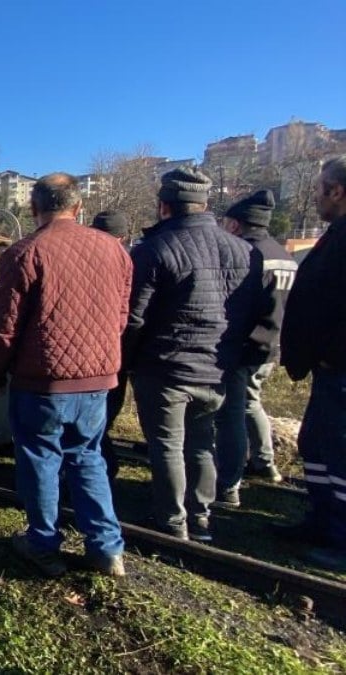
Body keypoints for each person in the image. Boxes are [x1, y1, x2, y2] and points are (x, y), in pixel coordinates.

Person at [0, 173, 131, 578]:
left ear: (34, 209)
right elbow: (121, 316)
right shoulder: (115, 251)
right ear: (78, 207)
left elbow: (4, 327)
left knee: (40, 459)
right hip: (98, 379)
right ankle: (106, 549)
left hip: (43, 382)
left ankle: (42, 543)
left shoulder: (23, 253)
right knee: (88, 457)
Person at [122, 168, 263, 543]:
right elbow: (248, 312)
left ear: (164, 206)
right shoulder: (244, 251)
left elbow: (134, 317)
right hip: (217, 367)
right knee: (202, 444)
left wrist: (126, 360)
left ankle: (171, 521)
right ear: (203, 204)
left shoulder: (154, 249)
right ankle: (200, 517)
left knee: (167, 445)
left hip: (165, 365)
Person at [278, 155, 346, 571]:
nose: (315, 196)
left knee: (339, 453)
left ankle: (340, 537)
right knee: (317, 445)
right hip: (328, 368)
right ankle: (322, 520)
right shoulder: (334, 235)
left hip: (339, 366)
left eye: (319, 189)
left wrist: (328, 351)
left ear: (337, 191)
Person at [214, 190, 295, 508]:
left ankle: (228, 483)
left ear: (236, 225)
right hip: (271, 344)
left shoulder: (248, 255)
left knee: (231, 413)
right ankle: (264, 462)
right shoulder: (283, 254)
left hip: (246, 345)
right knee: (251, 403)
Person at [91, 210, 131, 480]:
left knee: (93, 425)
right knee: (101, 420)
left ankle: (103, 467)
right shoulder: (127, 260)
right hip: (118, 355)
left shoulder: (86, 262)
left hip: (94, 356)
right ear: (124, 236)